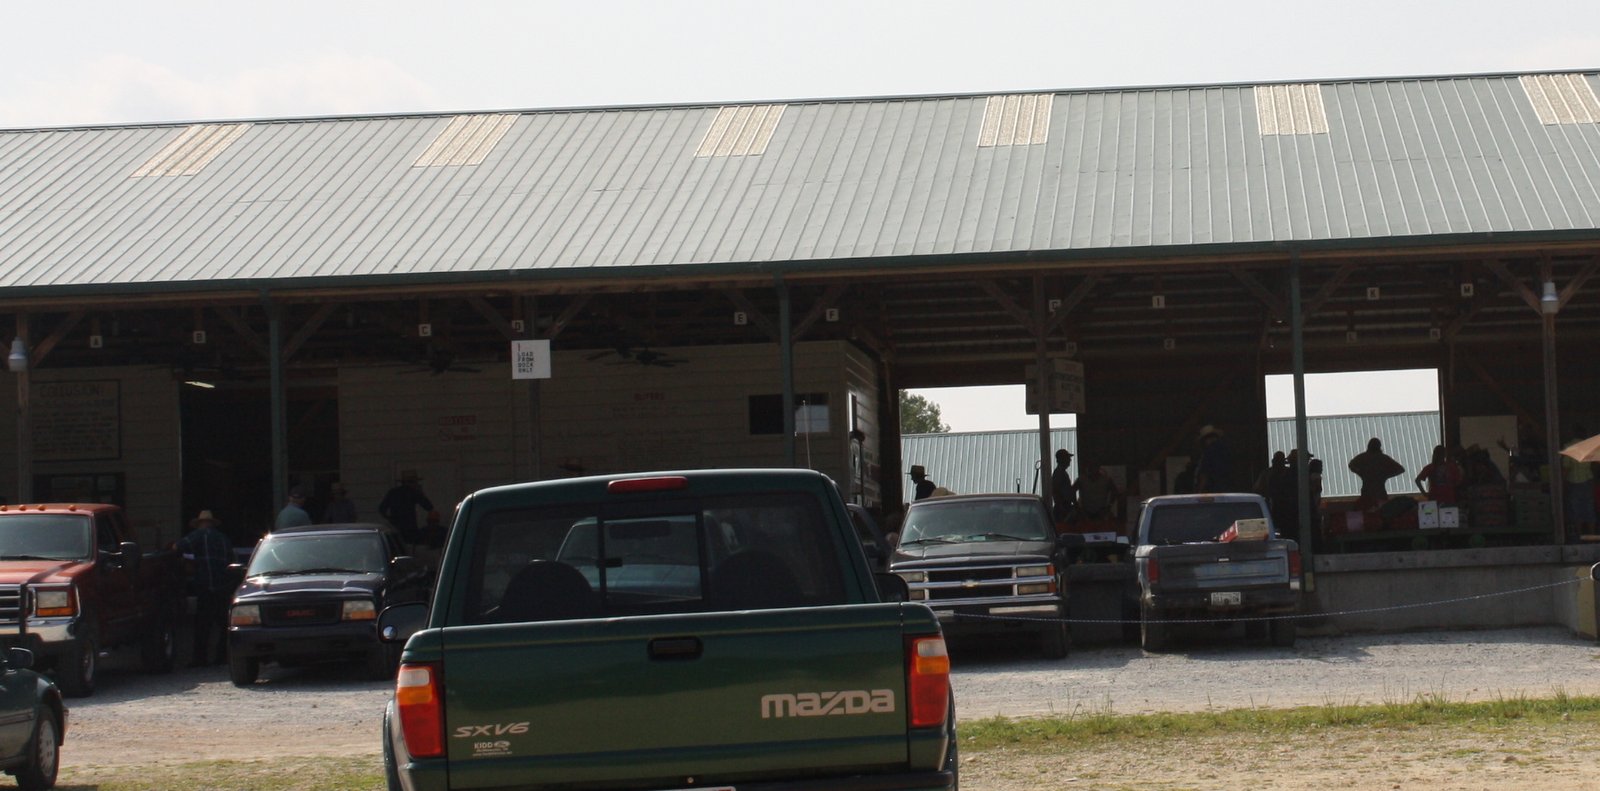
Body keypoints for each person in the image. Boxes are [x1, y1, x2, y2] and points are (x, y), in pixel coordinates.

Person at [175, 510, 234, 667]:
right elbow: (231, 560)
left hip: (205, 585)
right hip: (223, 586)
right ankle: (221, 656)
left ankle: (200, 658)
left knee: (203, 624)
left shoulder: (199, 535)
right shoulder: (223, 539)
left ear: (200, 524)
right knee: (223, 623)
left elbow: (178, 547)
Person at [379, 470, 435, 545]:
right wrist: (420, 493)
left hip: (395, 527)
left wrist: (390, 519)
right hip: (410, 528)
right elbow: (429, 507)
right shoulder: (413, 492)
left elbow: (382, 509)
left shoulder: (393, 492)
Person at [1348, 437, 1405, 510]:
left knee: (1366, 512)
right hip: (1380, 491)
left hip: (1367, 492)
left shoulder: (1363, 457)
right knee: (1382, 512)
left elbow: (1351, 465)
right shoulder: (1383, 458)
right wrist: (1386, 475)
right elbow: (1401, 469)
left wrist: (1360, 473)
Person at [1561, 427, 1596, 539]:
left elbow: (1566, 467)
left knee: (1576, 511)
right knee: (1589, 509)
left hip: (1574, 482)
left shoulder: (1569, 446)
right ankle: (1592, 537)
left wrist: (1562, 483)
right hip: (1588, 480)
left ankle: (1579, 537)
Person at [1195, 425, 1235, 493]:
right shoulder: (1227, 450)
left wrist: (1199, 491)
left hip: (1213, 491)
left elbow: (1204, 474)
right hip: (1228, 489)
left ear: (1206, 439)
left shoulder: (1209, 452)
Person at [1050, 449, 1076, 522]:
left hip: (1065, 507)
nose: (1070, 460)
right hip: (1062, 508)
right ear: (1062, 460)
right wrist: (1061, 507)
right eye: (1068, 458)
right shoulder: (1059, 473)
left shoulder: (1062, 473)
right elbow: (1055, 491)